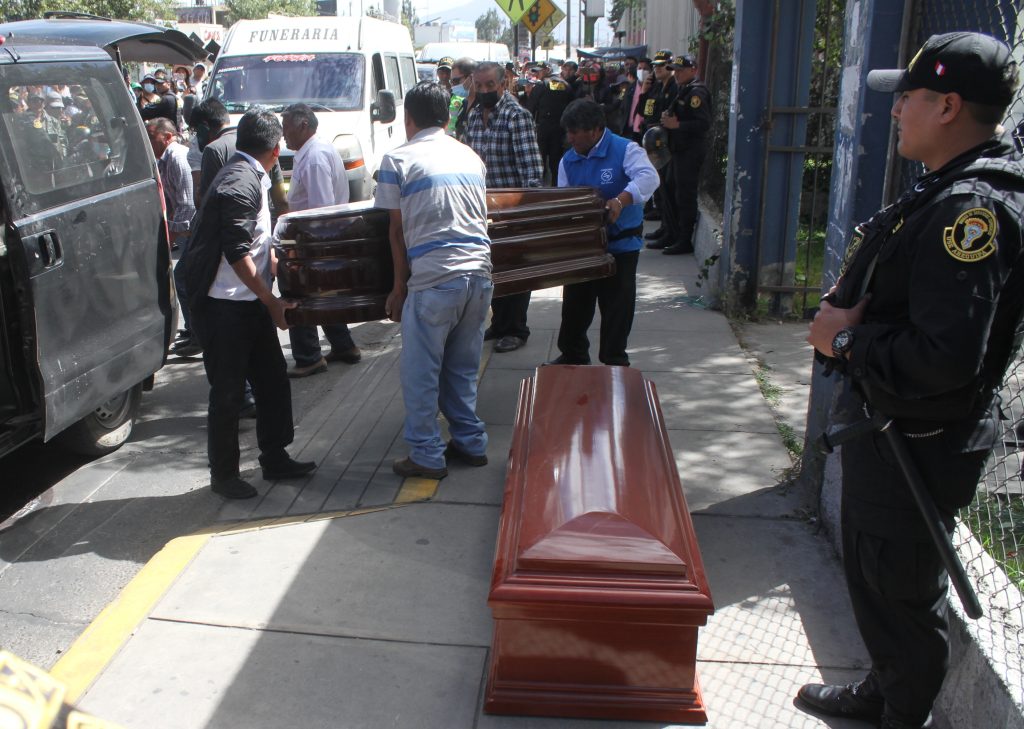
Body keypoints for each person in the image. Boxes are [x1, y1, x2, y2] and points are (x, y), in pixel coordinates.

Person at [801, 32, 1024, 729]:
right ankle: (885, 688)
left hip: (917, 441)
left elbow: (944, 356)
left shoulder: (971, 213)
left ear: (949, 105)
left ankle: (901, 712)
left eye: (909, 99)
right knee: (878, 581)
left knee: (898, 592)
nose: (896, 112)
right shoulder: (947, 187)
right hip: (889, 429)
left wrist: (846, 338)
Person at [182, 108, 316, 500]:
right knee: (227, 393)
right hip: (227, 306)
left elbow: (256, 246)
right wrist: (271, 301)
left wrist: (276, 268)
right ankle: (223, 475)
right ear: (276, 149)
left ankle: (274, 456)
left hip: (247, 300)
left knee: (273, 380)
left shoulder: (247, 174)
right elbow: (238, 252)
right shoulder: (240, 182)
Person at [377, 82, 493, 480]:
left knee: (421, 373)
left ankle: (426, 454)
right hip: (479, 276)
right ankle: (470, 442)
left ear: (408, 119)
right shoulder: (471, 156)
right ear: (447, 118)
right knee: (462, 368)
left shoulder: (398, 159)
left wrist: (397, 289)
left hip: (434, 281)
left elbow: (395, 233)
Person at [549, 100, 658, 367]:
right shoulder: (569, 159)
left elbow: (649, 177)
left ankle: (614, 360)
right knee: (575, 304)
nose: (570, 137)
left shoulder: (625, 149)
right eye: (568, 132)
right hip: (584, 247)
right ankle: (573, 354)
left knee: (617, 308)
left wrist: (620, 200)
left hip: (621, 246)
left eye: (576, 132)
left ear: (597, 130)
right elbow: (564, 197)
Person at [465, 61, 543, 354]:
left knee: (517, 271)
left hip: (512, 210)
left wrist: (526, 213)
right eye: (479, 85)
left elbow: (531, 170)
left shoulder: (516, 116)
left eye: (489, 85)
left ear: (503, 84)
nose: (484, 90)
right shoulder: (474, 117)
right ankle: (499, 324)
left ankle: (516, 329)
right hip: (482, 210)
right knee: (492, 270)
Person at [280, 103, 362, 377]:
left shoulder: (315, 156)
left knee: (299, 293)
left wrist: (308, 248)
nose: (283, 135)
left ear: (303, 126)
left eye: (286, 127)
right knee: (323, 293)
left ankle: (308, 356)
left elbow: (321, 208)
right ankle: (343, 345)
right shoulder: (314, 151)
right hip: (315, 236)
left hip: (313, 238)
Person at [657, 52, 711, 255]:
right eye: (675, 71)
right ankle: (672, 233)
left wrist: (677, 124)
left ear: (693, 70)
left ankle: (684, 238)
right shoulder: (683, 90)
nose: (677, 74)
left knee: (684, 195)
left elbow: (703, 123)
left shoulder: (697, 93)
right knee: (670, 190)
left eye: (681, 70)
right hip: (677, 150)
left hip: (690, 150)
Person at [145, 116, 195, 260]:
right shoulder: (164, 160)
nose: (148, 142)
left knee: (182, 278)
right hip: (190, 234)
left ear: (167, 136)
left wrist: (168, 243)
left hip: (197, 233)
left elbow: (188, 206)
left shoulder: (177, 157)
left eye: (151, 137)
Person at [641, 50, 677, 236]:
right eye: (655, 66)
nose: (657, 69)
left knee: (667, 188)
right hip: (653, 141)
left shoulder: (674, 88)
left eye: (662, 65)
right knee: (660, 187)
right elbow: (644, 112)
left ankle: (669, 229)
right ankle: (665, 227)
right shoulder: (656, 88)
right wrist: (644, 92)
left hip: (665, 144)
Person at [527, 61, 574, 183]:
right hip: (560, 128)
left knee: (540, 159)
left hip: (543, 127)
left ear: (547, 70)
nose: (537, 74)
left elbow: (530, 108)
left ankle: (540, 188)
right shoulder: (566, 85)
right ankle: (556, 185)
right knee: (556, 160)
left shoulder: (541, 85)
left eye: (539, 71)